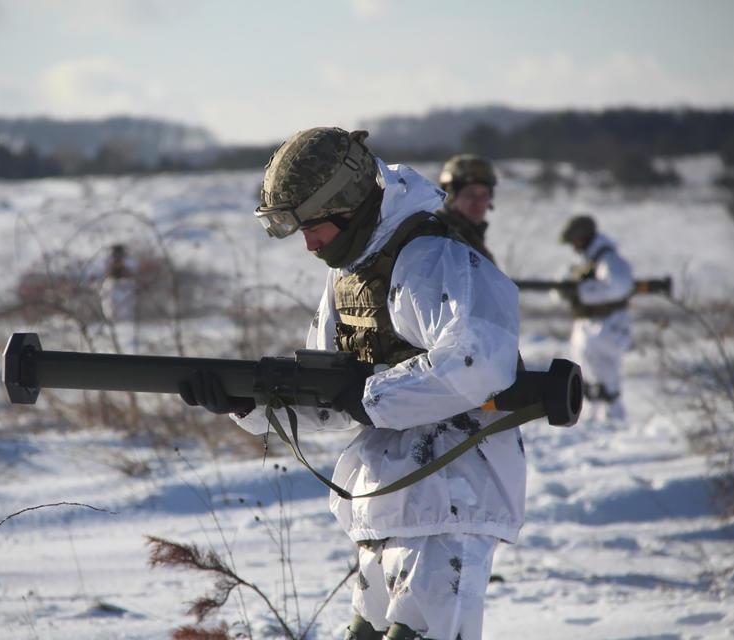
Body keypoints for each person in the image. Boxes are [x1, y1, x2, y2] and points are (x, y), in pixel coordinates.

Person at [178, 127, 525, 640]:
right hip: (388, 497)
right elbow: (330, 391)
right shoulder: (350, 273)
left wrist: (368, 396)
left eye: (312, 226)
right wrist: (250, 403)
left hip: (454, 498)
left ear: (348, 208)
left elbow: (476, 362)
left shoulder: (434, 261)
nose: (309, 243)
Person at [558, 215, 634, 424]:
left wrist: (581, 292)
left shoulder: (608, 259)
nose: (574, 245)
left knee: (607, 377)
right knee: (586, 375)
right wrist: (565, 291)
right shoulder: (583, 261)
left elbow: (618, 287)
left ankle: (615, 421)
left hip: (608, 325)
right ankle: (591, 420)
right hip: (586, 326)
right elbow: (561, 286)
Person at [435, 154, 499, 265]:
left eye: (484, 194)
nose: (477, 202)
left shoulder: (471, 241)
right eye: (470, 193)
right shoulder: (439, 237)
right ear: (451, 196)